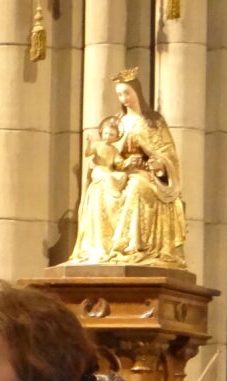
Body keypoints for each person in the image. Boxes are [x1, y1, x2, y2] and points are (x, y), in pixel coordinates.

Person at [70, 68, 186, 268]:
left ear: (137, 93)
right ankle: (99, 250)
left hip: (145, 173)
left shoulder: (153, 121)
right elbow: (109, 151)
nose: (124, 98)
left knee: (136, 189)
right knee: (97, 190)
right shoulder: (118, 122)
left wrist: (159, 164)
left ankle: (132, 246)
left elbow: (167, 152)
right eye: (120, 95)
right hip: (120, 171)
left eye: (127, 93)